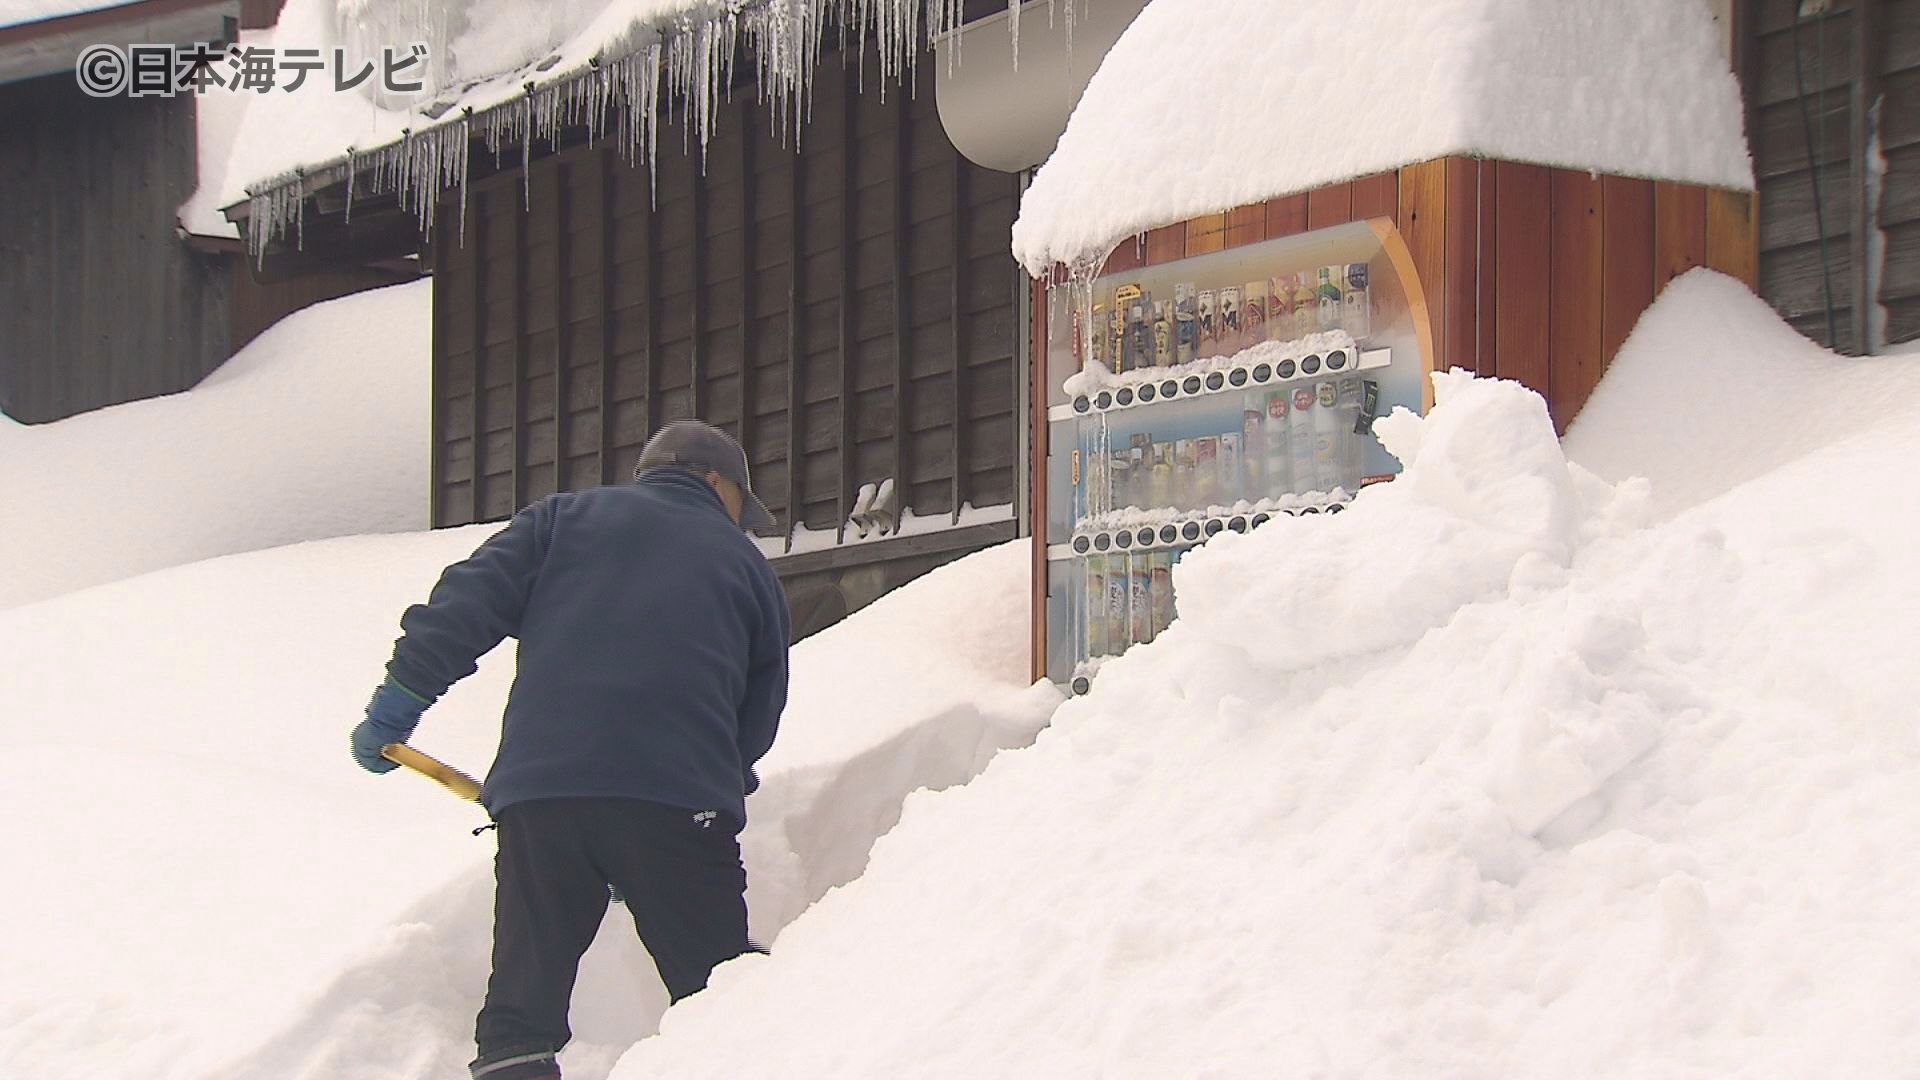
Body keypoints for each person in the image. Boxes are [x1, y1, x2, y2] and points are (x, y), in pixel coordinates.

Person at [349, 420, 791, 1080]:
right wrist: (694, 807)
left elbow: (463, 605)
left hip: (540, 801)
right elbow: (758, 712)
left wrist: (399, 702)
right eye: (740, 504)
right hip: (678, 802)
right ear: (716, 481)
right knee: (722, 992)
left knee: (520, 1011)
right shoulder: (744, 564)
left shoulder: (561, 520)